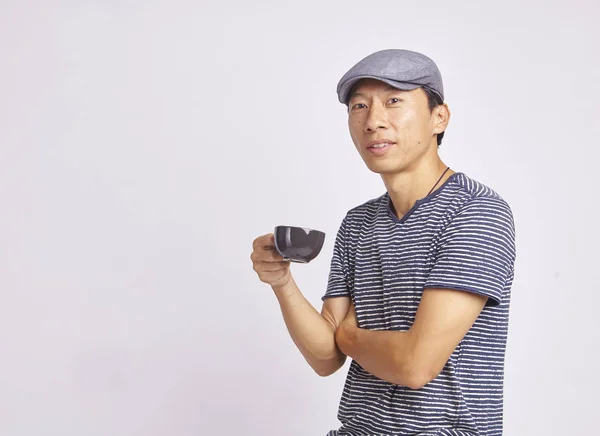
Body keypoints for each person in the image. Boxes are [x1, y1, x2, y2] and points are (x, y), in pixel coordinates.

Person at [250, 49, 516, 435]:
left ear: (438, 117)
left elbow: (415, 365)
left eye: (394, 101)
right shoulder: (359, 222)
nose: (373, 121)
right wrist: (282, 282)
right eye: (359, 106)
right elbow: (326, 358)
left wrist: (347, 335)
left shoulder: (476, 213)